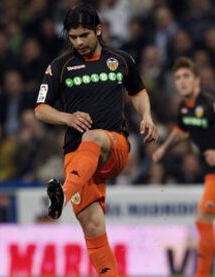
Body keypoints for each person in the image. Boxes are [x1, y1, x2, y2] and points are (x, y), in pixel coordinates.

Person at [34, 4, 158, 276]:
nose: (78, 42)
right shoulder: (60, 66)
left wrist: (146, 116)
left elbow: (138, 92)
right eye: (73, 37)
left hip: (114, 147)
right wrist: (67, 118)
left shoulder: (121, 59)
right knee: (92, 227)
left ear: (98, 30)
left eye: (84, 36)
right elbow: (40, 109)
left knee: (93, 136)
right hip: (77, 157)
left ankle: (61, 197)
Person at [153, 57, 215, 277]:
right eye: (177, 78)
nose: (181, 81)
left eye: (186, 76)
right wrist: (164, 149)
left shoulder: (209, 105)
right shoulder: (184, 108)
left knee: (203, 219)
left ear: (197, 80)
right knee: (204, 220)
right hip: (211, 175)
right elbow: (182, 130)